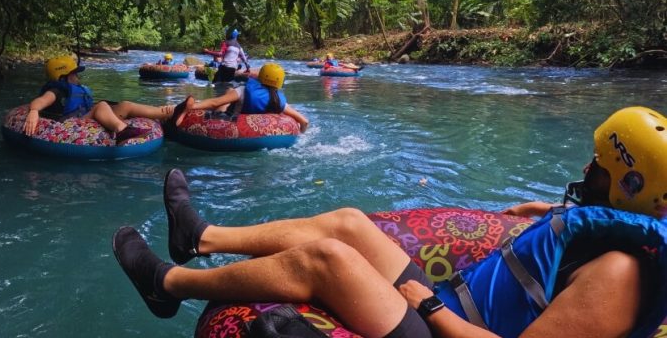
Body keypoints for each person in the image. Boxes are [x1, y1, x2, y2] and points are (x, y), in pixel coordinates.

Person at [114, 106, 667, 338]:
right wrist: (545, 213)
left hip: (444, 329)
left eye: (600, 168)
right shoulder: (615, 227)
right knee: (351, 223)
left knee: (329, 260)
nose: (586, 168)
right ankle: (201, 239)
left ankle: (167, 285)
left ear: (632, 186)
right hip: (453, 301)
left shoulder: (619, 274)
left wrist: (427, 308)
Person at [24, 55, 178, 143]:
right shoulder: (56, 91)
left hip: (83, 116)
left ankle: (165, 113)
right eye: (75, 74)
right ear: (64, 76)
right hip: (71, 124)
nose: (78, 77)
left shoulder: (71, 89)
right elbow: (40, 101)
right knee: (101, 106)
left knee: (125, 105)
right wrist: (33, 111)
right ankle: (121, 131)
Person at [171, 63, 308, 132]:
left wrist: (194, 107)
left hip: (231, 122)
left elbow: (214, 102)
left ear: (261, 76)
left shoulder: (244, 90)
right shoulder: (279, 100)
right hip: (264, 135)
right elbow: (304, 122)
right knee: (231, 92)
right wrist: (297, 133)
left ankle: (190, 106)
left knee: (229, 92)